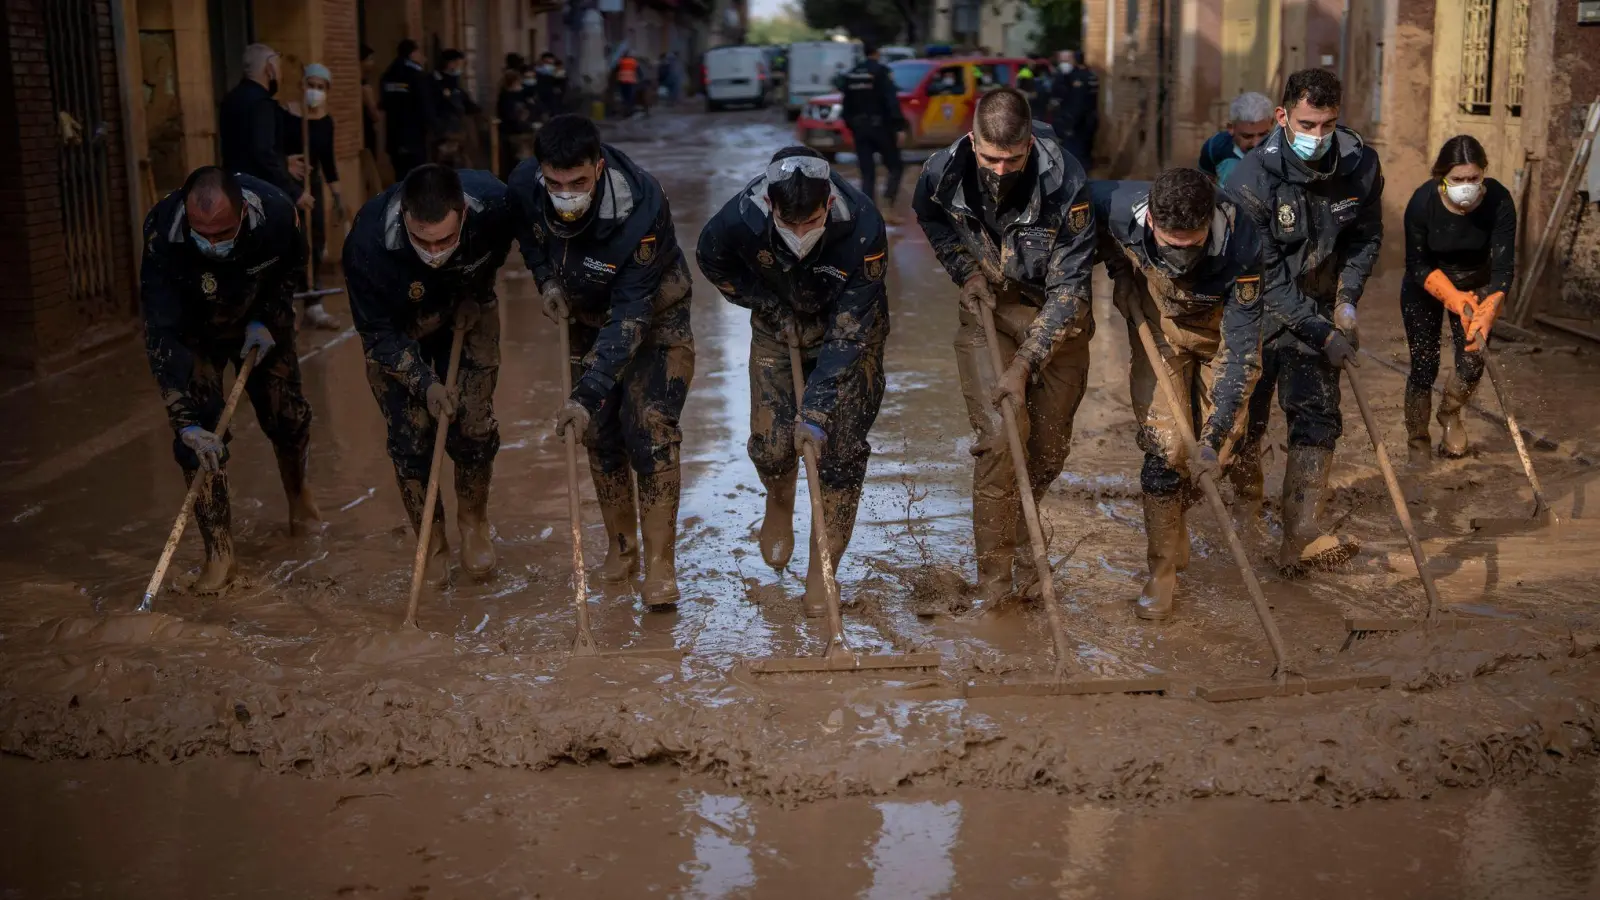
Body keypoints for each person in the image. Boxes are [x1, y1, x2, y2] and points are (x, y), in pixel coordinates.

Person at [913, 87, 1096, 608]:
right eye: (990, 157)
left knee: (1047, 451)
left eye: (1012, 158)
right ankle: (995, 581)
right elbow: (928, 216)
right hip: (987, 309)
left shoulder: (1065, 182)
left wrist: (1023, 364)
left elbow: (1071, 289)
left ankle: (1018, 538)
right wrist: (964, 270)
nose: (999, 169)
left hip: (1055, 319)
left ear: (1029, 142)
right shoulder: (941, 171)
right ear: (974, 140)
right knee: (999, 437)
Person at [509, 115, 695, 611]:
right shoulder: (525, 185)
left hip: (652, 311)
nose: (565, 193)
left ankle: (660, 564)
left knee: (649, 426)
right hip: (582, 311)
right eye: (556, 183)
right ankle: (621, 546)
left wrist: (585, 393)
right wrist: (546, 279)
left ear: (599, 166)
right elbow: (527, 236)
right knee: (596, 433)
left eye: (578, 182)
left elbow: (631, 317)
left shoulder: (642, 206)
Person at [697, 148, 889, 617]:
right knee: (771, 444)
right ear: (770, 203)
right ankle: (779, 499)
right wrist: (767, 303)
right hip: (776, 327)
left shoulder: (863, 223)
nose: (800, 234)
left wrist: (817, 412)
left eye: (811, 223)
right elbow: (711, 263)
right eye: (790, 224)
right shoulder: (738, 220)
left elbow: (850, 332)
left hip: (848, 327)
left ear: (827, 204)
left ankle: (822, 571)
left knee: (840, 454)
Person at [1229, 68, 1383, 575]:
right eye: (1307, 124)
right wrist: (1322, 333)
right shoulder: (1250, 181)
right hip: (1254, 310)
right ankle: (1245, 511)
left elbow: (1365, 238)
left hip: (1318, 305)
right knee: (1245, 423)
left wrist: (1347, 301)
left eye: (1328, 124)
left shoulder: (1360, 166)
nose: (1318, 136)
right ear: (1283, 117)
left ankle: (1299, 536)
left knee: (1317, 417)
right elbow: (1265, 277)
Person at [1093, 170, 1264, 620]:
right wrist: (1120, 273)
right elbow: (1086, 225)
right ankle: (1162, 567)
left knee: (1219, 451)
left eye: (1193, 243)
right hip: (1160, 330)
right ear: (1150, 220)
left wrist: (1213, 435)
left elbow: (1242, 353)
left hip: (1220, 336)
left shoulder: (1243, 242)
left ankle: (1178, 513)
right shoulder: (1117, 206)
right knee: (1164, 448)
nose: (1183, 256)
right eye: (1172, 244)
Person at [140, 167, 318, 593]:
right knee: (201, 436)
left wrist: (266, 316)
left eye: (223, 233)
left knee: (286, 414)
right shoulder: (163, 231)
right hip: (194, 333)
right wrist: (183, 421)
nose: (212, 243)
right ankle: (219, 550)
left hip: (259, 320)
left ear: (242, 215)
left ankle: (299, 496)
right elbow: (159, 329)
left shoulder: (276, 213)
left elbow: (292, 268)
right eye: (203, 234)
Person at [344, 164, 518, 583]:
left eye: (445, 239)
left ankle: (474, 523)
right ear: (405, 216)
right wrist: (426, 383)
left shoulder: (494, 205)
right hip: (398, 330)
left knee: (474, 426)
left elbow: (500, 251)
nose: (435, 251)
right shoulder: (366, 244)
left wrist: (476, 291)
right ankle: (433, 539)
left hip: (467, 311)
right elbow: (377, 335)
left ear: (463, 214)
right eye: (423, 240)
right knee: (411, 437)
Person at [1402, 135, 1516, 461]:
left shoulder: (1499, 201)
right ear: (1442, 178)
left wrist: (1490, 306)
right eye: (1457, 179)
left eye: (1473, 178)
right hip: (1426, 282)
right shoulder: (1422, 203)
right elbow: (1416, 263)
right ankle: (1417, 442)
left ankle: (1450, 413)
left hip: (1477, 279)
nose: (1466, 185)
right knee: (1424, 365)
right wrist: (1451, 297)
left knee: (1472, 360)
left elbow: (1504, 268)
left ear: (1484, 173)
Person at [280, 62, 345, 330]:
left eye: (320, 87)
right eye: (311, 85)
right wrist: (285, 163)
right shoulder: (285, 114)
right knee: (290, 240)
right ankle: (285, 304)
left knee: (315, 239)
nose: (314, 91)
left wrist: (338, 196)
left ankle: (313, 304)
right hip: (286, 184)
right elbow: (270, 150)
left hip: (313, 184)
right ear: (301, 85)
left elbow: (328, 163)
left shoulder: (326, 122)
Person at [219, 43, 306, 211]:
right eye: (279, 68)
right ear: (270, 68)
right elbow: (262, 152)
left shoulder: (230, 99)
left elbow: (243, 147)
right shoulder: (262, 104)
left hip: (234, 188)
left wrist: (283, 160)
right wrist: (295, 192)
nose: (280, 75)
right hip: (258, 194)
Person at [838, 43, 909, 224]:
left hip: (860, 129)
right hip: (882, 129)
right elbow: (891, 101)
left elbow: (845, 106)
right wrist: (899, 126)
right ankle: (888, 208)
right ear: (877, 53)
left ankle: (867, 215)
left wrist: (853, 127)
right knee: (895, 167)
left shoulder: (852, 74)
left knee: (867, 173)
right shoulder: (881, 72)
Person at [380, 39, 436, 181]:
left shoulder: (388, 75)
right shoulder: (417, 77)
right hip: (414, 137)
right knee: (417, 179)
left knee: (400, 177)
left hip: (394, 138)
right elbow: (424, 106)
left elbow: (384, 103)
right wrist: (435, 128)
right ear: (412, 54)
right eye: (419, 52)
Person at [1197, 91, 1274, 186]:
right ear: (1231, 128)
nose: (1256, 143)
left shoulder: (1284, 151)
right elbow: (1204, 183)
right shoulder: (1215, 147)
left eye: (1263, 134)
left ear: (1271, 123)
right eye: (1247, 136)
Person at [431, 49, 480, 166]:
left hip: (459, 131)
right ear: (450, 63)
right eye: (459, 63)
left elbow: (465, 102)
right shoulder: (437, 82)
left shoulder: (455, 82)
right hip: (446, 133)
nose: (461, 67)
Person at [1051, 50, 1098, 166]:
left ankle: (1079, 180)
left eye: (1070, 60)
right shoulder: (1091, 75)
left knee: (1075, 153)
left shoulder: (1077, 78)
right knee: (1086, 151)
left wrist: (1069, 123)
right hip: (1090, 119)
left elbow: (1077, 103)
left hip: (1078, 122)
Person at [359, 44, 390, 193]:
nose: (373, 64)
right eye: (370, 59)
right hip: (366, 134)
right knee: (371, 174)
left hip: (363, 133)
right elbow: (375, 115)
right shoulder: (365, 88)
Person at [497, 68, 535, 175]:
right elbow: (510, 116)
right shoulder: (506, 98)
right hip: (514, 133)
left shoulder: (521, 94)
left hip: (523, 131)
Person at [616, 52, 640, 117]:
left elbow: (617, 70)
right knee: (630, 96)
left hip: (622, 80)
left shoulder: (621, 61)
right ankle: (629, 111)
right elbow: (638, 71)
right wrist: (639, 78)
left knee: (624, 96)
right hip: (631, 81)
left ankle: (624, 110)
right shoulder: (634, 62)